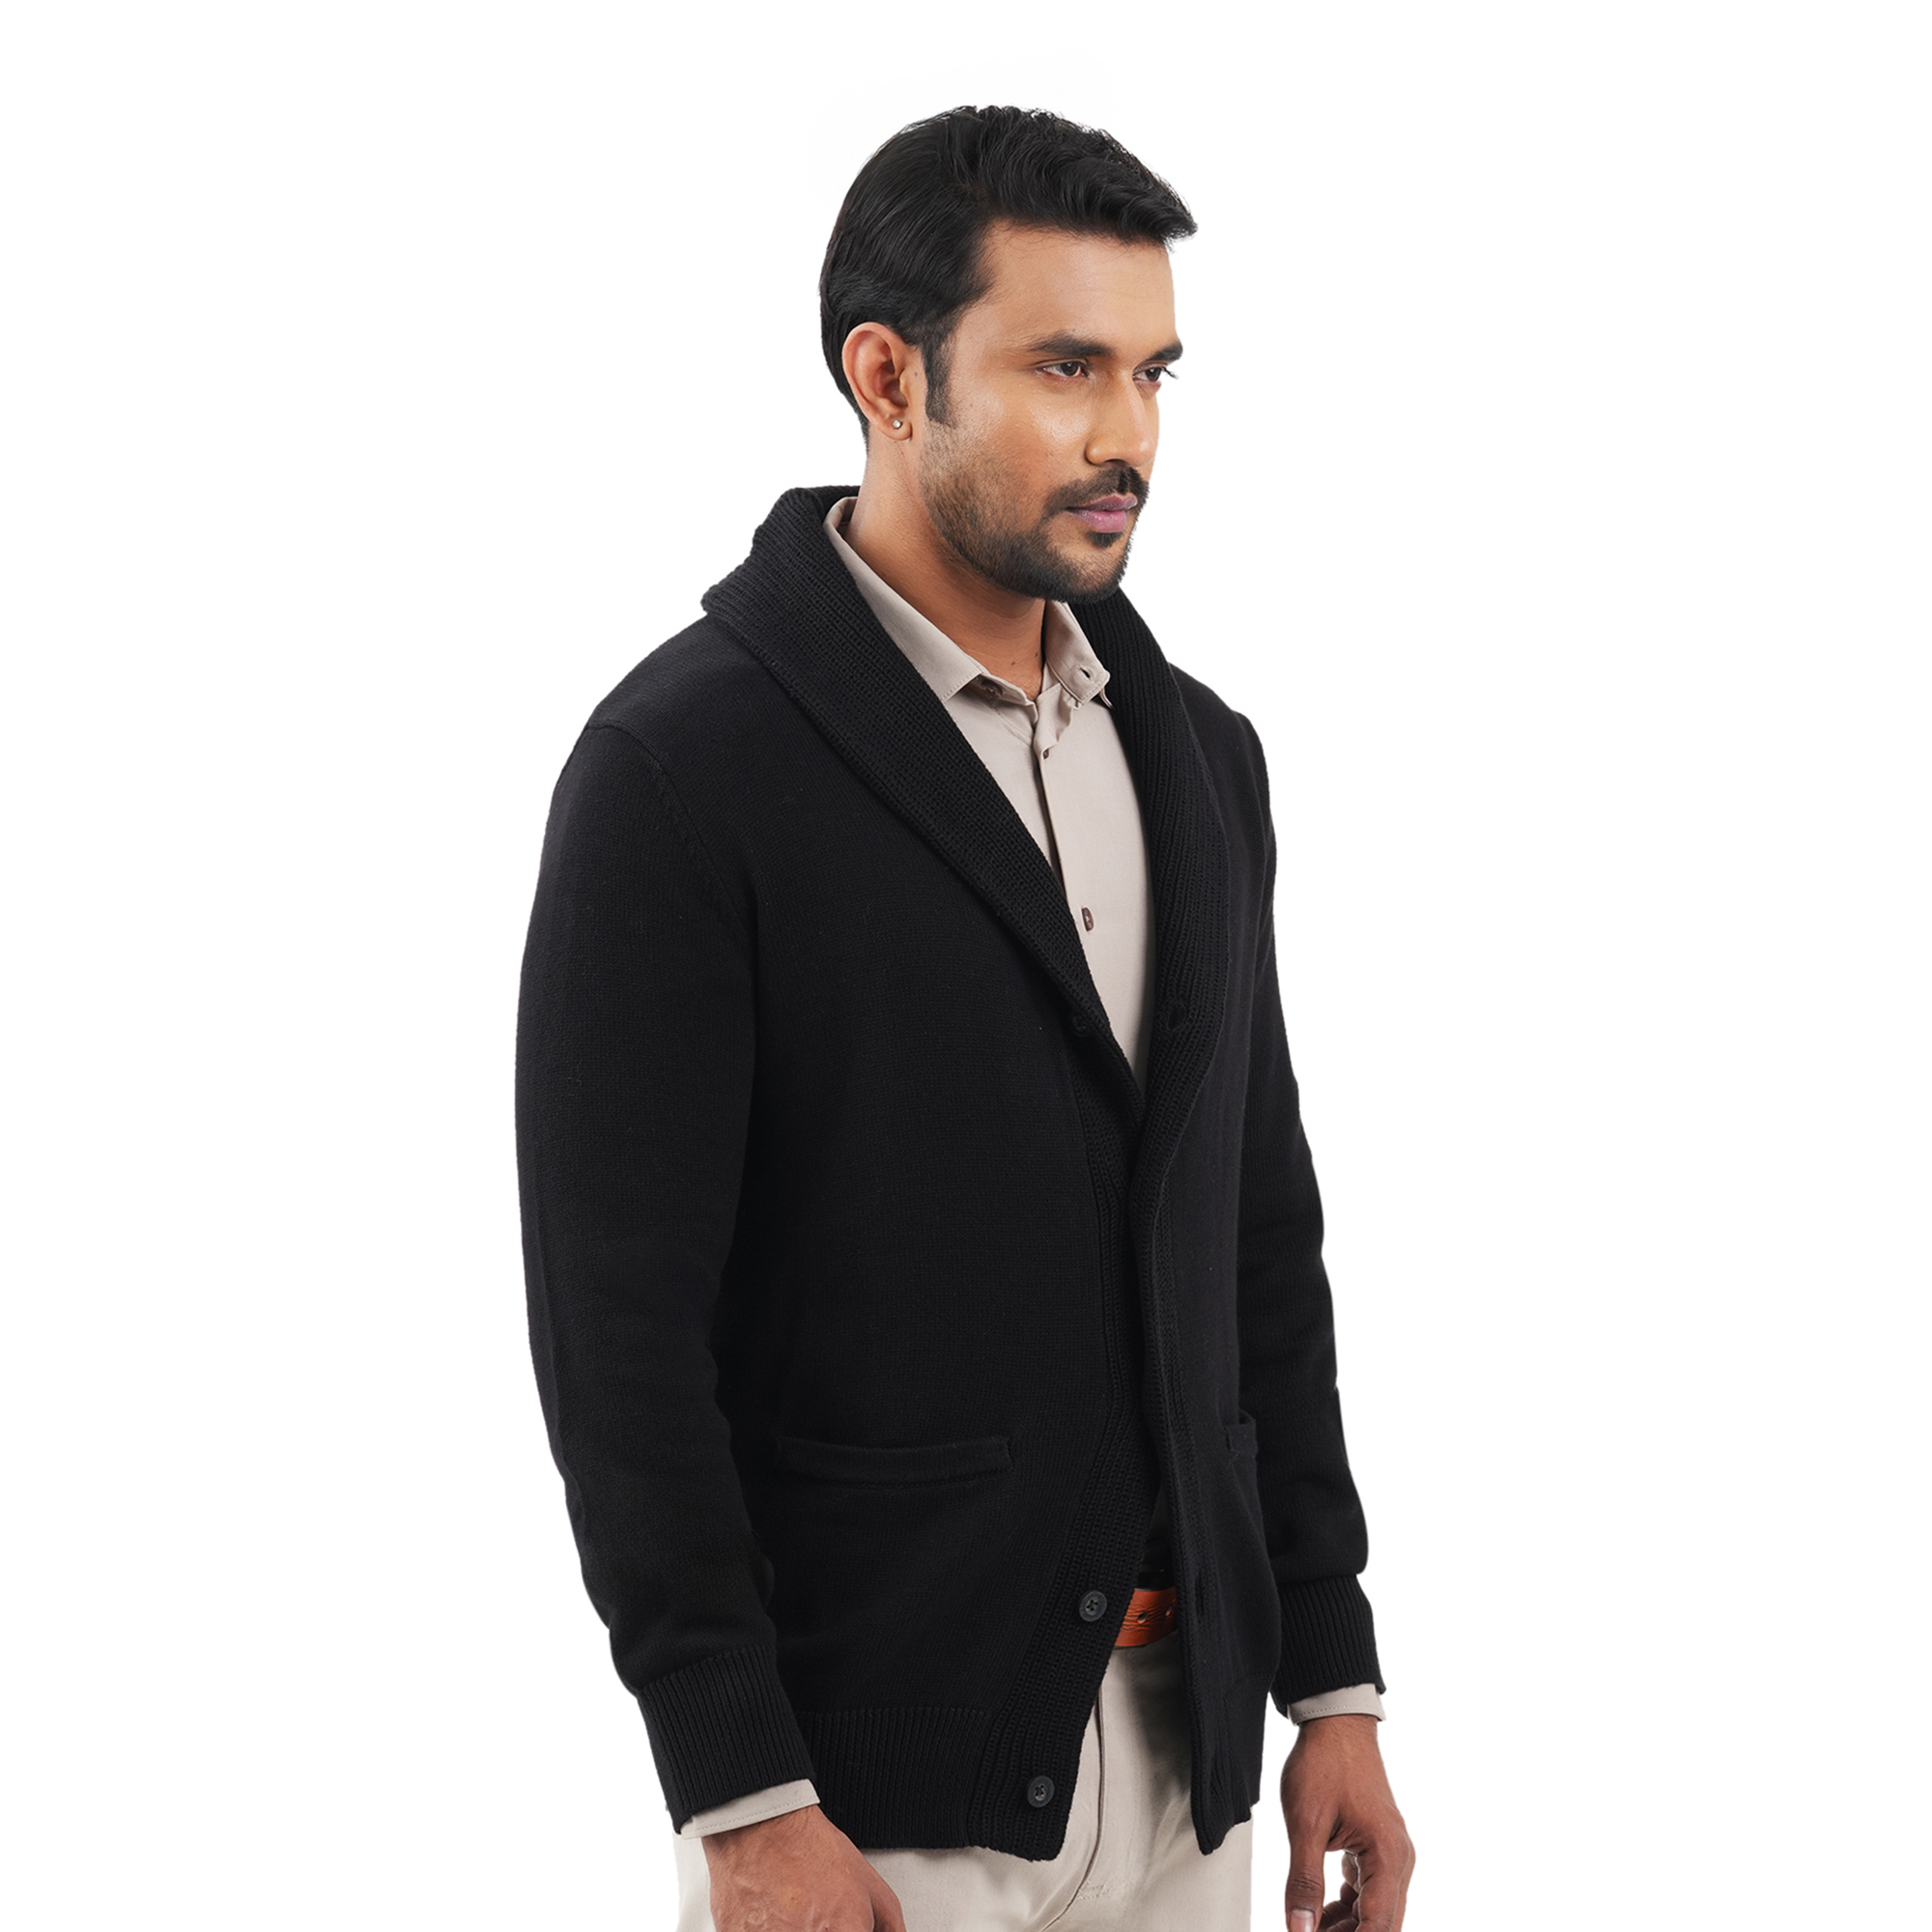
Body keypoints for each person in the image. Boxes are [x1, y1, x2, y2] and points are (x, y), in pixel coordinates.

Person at [516, 104, 1414, 1932]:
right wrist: (740, 1797)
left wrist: (1332, 1679)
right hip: (869, 1797)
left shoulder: (1200, 756)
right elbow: (619, 1342)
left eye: (1153, 372)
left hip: (1194, 1767)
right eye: (1064, 366)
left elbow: (1256, 1241)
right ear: (886, 377)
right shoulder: (685, 773)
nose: (1126, 434)